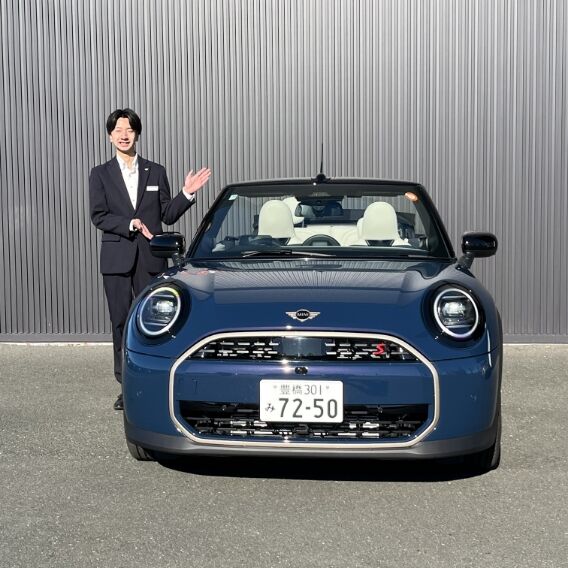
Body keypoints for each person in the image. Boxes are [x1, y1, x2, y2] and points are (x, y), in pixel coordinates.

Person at [89, 108, 211, 410]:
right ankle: (126, 386)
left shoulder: (155, 171)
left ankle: (154, 382)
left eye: (129, 129)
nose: (124, 135)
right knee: (120, 322)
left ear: (137, 134)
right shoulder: (100, 174)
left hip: (150, 259)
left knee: (155, 321)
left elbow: (167, 214)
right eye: (118, 130)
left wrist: (186, 193)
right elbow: (98, 215)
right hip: (116, 260)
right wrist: (129, 223)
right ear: (110, 136)